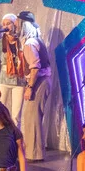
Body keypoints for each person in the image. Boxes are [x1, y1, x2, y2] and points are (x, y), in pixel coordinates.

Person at [17, 11, 52, 161]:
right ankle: (33, 152)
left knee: (33, 117)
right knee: (31, 117)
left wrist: (30, 87)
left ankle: (35, 154)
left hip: (39, 82)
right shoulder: (36, 40)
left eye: (18, 23)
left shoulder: (30, 44)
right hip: (42, 80)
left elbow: (35, 67)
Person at [0, 13, 27, 127]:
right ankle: (0, 135)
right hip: (3, 81)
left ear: (14, 25)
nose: (6, 26)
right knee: (0, 113)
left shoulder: (22, 42)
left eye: (8, 23)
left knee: (16, 116)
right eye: (4, 24)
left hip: (19, 81)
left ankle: (15, 137)